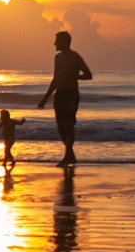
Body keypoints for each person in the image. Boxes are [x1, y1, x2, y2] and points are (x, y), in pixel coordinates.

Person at [36, 30, 93, 167]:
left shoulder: (75, 57)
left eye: (57, 41)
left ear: (65, 42)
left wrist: (74, 76)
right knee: (61, 126)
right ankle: (70, 155)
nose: (54, 43)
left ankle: (67, 156)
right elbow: (55, 79)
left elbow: (88, 75)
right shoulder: (57, 58)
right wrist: (45, 98)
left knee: (68, 125)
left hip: (71, 94)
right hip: (59, 94)